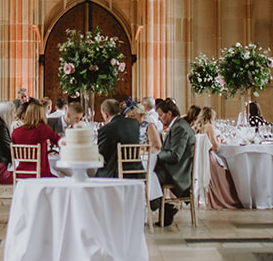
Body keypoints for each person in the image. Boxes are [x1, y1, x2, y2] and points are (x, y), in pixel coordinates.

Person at [151, 97, 196, 225]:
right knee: (151, 174)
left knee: (151, 177)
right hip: (175, 167)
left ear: (169, 114)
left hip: (179, 171)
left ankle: (163, 207)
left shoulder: (180, 128)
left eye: (160, 115)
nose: (159, 118)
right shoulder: (178, 125)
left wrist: (157, 155)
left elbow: (175, 155)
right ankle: (166, 208)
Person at [195, 105, 241, 210]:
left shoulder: (197, 126)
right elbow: (215, 147)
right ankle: (224, 198)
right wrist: (219, 139)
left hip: (199, 160)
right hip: (209, 160)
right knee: (228, 171)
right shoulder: (209, 127)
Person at [96, 96, 143, 179]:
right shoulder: (134, 123)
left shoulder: (106, 129)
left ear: (106, 115)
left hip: (116, 173)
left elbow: (101, 155)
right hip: (136, 171)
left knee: (92, 174)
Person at [10, 97, 56, 178]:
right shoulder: (44, 129)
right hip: (41, 173)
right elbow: (59, 141)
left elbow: (14, 154)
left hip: (21, 173)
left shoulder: (16, 132)